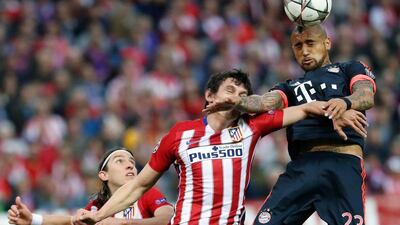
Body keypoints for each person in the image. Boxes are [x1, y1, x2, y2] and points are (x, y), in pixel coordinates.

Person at [75, 69, 367, 225]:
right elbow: (139, 186)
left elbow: (305, 109)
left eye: (243, 94)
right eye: (230, 90)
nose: (237, 98)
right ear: (209, 96)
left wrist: (341, 106)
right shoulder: (180, 134)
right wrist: (99, 216)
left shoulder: (253, 126)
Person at [204, 24, 376, 225]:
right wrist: (238, 102)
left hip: (342, 164)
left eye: (310, 43)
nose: (304, 51)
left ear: (327, 43)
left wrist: (344, 102)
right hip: (302, 167)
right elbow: (263, 102)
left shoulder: (350, 68)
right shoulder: (288, 86)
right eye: (298, 46)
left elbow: (365, 95)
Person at [7, 147, 174, 225]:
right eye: (120, 161)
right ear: (104, 175)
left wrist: (122, 223)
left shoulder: (148, 194)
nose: (130, 166)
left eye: (132, 162)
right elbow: (70, 221)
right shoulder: (97, 207)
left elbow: (168, 219)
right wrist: (32, 220)